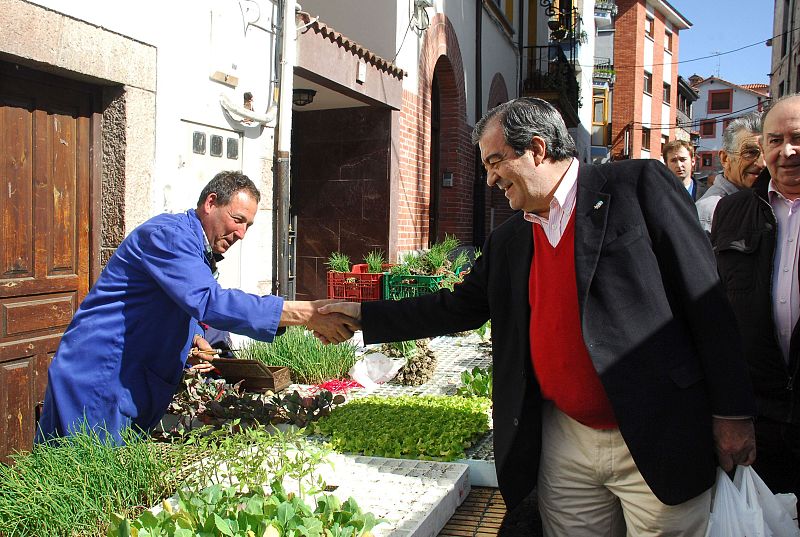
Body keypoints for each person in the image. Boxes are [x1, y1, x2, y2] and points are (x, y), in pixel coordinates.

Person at [321, 98, 756, 536]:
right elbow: (457, 306)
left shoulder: (636, 186)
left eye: (495, 162)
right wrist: (363, 314)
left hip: (655, 430)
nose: (489, 179)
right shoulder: (510, 239)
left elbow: (707, 300)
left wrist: (733, 412)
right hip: (564, 440)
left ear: (537, 148)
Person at [37, 171, 356, 444]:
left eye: (249, 226)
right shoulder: (168, 236)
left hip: (127, 380)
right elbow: (208, 301)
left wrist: (194, 338)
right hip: (99, 376)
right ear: (210, 203)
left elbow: (175, 302)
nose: (242, 234)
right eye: (238, 219)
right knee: (81, 489)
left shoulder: (195, 248)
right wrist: (306, 313)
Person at [710, 93, 800, 501]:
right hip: (757, 419)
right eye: (776, 140)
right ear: (763, 148)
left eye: (797, 138)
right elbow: (714, 315)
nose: (787, 151)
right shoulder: (732, 213)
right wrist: (728, 413)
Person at [695, 112, 765, 232]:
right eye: (750, 153)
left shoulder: (768, 201)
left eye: (767, 153)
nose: (762, 163)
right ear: (725, 158)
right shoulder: (709, 212)